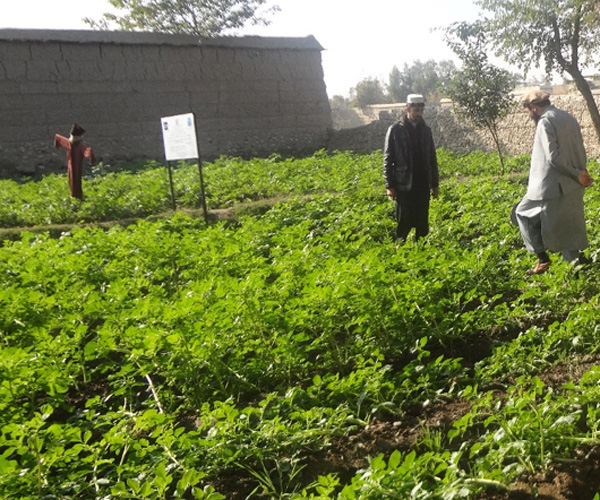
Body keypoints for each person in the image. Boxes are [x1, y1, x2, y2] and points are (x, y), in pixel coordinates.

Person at [515, 90, 594, 275]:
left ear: (533, 107)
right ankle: (575, 267)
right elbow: (579, 148)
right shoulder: (568, 117)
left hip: (551, 185)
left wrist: (576, 174)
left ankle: (543, 259)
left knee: (523, 213)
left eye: (527, 110)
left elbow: (553, 157)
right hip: (573, 182)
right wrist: (580, 173)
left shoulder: (545, 121)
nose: (528, 114)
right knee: (566, 225)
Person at [383, 93, 439, 243]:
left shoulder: (426, 130)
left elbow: (432, 158)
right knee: (404, 219)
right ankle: (400, 250)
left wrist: (435, 185)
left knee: (422, 220)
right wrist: (389, 185)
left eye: (421, 110)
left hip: (422, 183)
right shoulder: (395, 130)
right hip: (404, 184)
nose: (419, 114)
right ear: (407, 109)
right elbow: (388, 160)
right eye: (416, 111)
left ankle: (421, 251)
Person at [54, 123, 97, 200]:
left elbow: (86, 151)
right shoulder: (71, 143)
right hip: (71, 165)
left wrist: (91, 157)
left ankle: (78, 197)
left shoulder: (79, 145)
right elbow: (59, 139)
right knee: (72, 180)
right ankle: (75, 197)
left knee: (76, 181)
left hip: (77, 166)